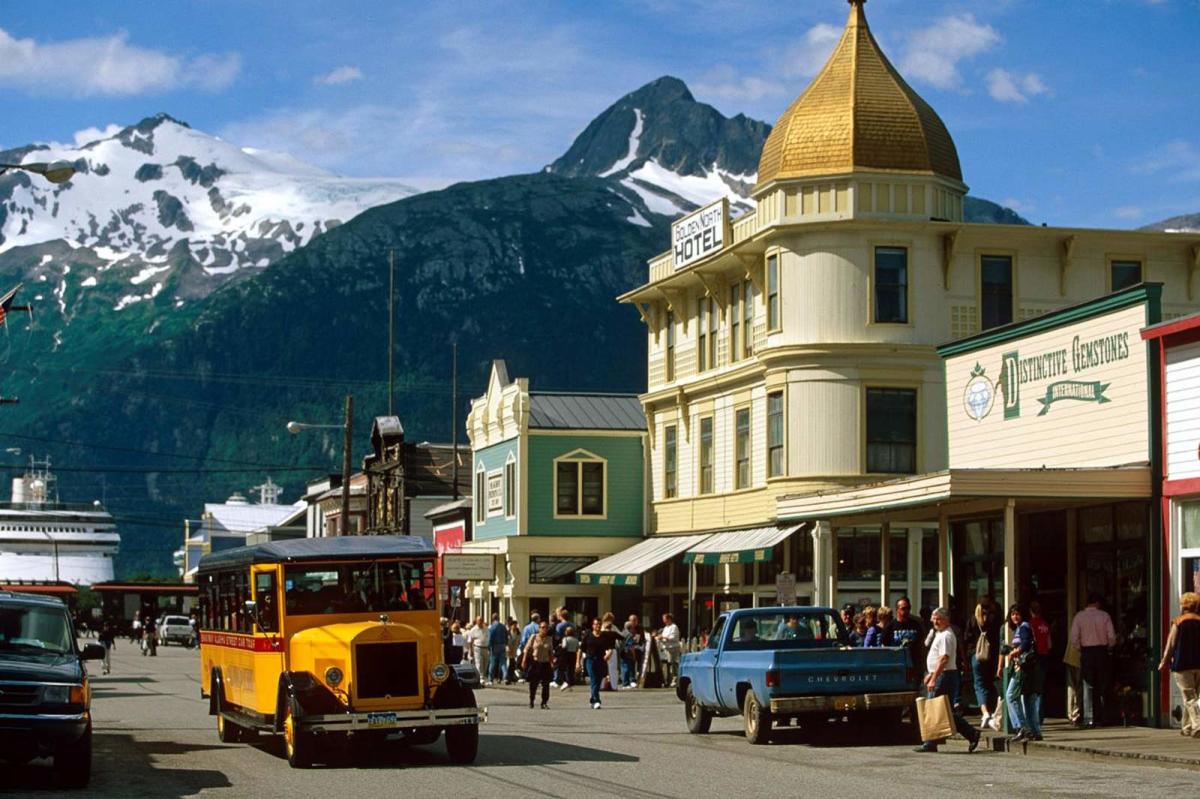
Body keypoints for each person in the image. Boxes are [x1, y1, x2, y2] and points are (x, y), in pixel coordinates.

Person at [915, 607, 980, 753]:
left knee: (935, 708)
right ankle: (971, 733)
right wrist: (931, 674)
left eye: (938, 618)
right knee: (945, 711)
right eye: (934, 618)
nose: (934, 621)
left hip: (944, 676)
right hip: (941, 675)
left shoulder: (946, 636)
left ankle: (930, 741)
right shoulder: (940, 633)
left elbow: (944, 658)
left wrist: (934, 677)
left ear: (946, 619)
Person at [1070, 592, 1116, 728]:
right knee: (1102, 684)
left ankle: (1089, 718)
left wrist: (1080, 648)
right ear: (1098, 603)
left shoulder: (1079, 617)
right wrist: (1109, 646)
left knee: (1088, 684)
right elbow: (1111, 636)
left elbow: (1074, 638)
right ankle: (1102, 717)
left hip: (1087, 652)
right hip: (1101, 651)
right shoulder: (1104, 616)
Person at [1158, 591, 1200, 737]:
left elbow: (1171, 644)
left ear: (1183, 606)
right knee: (1193, 696)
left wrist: (1164, 661)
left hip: (1182, 664)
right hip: (1198, 664)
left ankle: (1197, 725)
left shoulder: (1178, 622)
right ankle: (1187, 727)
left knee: (1189, 697)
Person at [998, 604, 1037, 741]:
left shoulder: (1024, 626)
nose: (1015, 616)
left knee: (1010, 695)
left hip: (1022, 668)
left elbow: (1026, 643)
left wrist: (1016, 651)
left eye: (1018, 614)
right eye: (1013, 614)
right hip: (1020, 667)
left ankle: (1021, 727)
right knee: (1026, 698)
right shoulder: (1020, 628)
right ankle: (1032, 730)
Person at [964, 597, 1001, 730]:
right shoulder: (994, 620)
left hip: (977, 655)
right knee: (991, 682)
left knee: (979, 684)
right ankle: (994, 711)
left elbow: (966, 638)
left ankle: (985, 712)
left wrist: (968, 656)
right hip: (991, 656)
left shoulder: (973, 620)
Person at [583, 617, 620, 709]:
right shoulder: (588, 636)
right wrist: (577, 662)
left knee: (598, 680)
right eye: (596, 624)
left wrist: (608, 655)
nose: (598, 626)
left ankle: (592, 700)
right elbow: (581, 649)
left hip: (601, 660)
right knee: (594, 678)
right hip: (590, 660)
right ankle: (596, 700)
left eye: (599, 624)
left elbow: (611, 647)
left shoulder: (604, 636)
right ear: (593, 626)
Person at [1027, 600, 1051, 731]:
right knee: (1040, 688)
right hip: (1044, 655)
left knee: (1033, 688)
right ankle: (1039, 716)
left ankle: (1034, 716)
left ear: (1030, 612)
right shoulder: (1045, 624)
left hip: (1034, 657)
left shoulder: (1030, 624)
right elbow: (1049, 644)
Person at [523, 619, 555, 709]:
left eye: (546, 628)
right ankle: (531, 700)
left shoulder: (549, 639)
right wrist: (524, 661)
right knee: (533, 684)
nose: (544, 629)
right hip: (535, 663)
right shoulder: (534, 637)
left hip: (545, 663)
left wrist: (552, 662)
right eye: (542, 627)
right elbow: (526, 649)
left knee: (546, 684)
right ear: (539, 628)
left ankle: (544, 702)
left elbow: (550, 652)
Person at [890, 596, 927, 665]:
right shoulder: (891, 626)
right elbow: (885, 643)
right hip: (897, 663)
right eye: (903, 608)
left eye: (908, 608)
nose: (906, 611)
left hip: (914, 663)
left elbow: (922, 642)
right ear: (897, 609)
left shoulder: (916, 624)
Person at [657, 613, 682, 686]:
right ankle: (668, 679)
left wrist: (664, 637)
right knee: (667, 664)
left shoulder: (674, 627)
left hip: (672, 648)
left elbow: (673, 637)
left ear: (669, 619)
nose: (663, 621)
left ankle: (674, 679)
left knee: (672, 663)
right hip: (666, 648)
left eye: (665, 619)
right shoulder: (665, 628)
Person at [466, 615, 489, 684]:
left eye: (482, 620)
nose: (481, 622)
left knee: (486, 662)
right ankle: (480, 678)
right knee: (479, 663)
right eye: (479, 620)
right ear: (476, 621)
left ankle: (483, 676)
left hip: (486, 648)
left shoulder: (486, 628)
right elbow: (470, 641)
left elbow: (488, 637)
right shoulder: (473, 630)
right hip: (477, 648)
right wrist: (471, 651)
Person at [487, 614, 508, 685]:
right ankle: (505, 677)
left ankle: (490, 679)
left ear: (492, 618)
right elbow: (506, 636)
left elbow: (490, 638)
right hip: (502, 645)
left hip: (494, 646)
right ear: (498, 618)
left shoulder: (492, 627)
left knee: (492, 663)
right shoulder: (503, 626)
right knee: (503, 663)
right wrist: (506, 644)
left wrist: (489, 647)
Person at [559, 625, 579, 691]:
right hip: (573, 655)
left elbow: (564, 646)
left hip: (566, 655)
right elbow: (577, 648)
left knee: (566, 669)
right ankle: (570, 683)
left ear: (566, 632)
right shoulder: (576, 639)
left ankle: (567, 682)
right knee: (571, 669)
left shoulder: (565, 639)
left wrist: (561, 645)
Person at [505, 619, 521, 684]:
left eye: (515, 625)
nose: (514, 626)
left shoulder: (518, 633)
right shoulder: (507, 633)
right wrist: (507, 648)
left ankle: (511, 677)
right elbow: (505, 641)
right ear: (511, 626)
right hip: (508, 650)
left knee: (512, 664)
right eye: (513, 625)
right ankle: (507, 678)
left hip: (515, 650)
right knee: (508, 664)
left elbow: (519, 641)